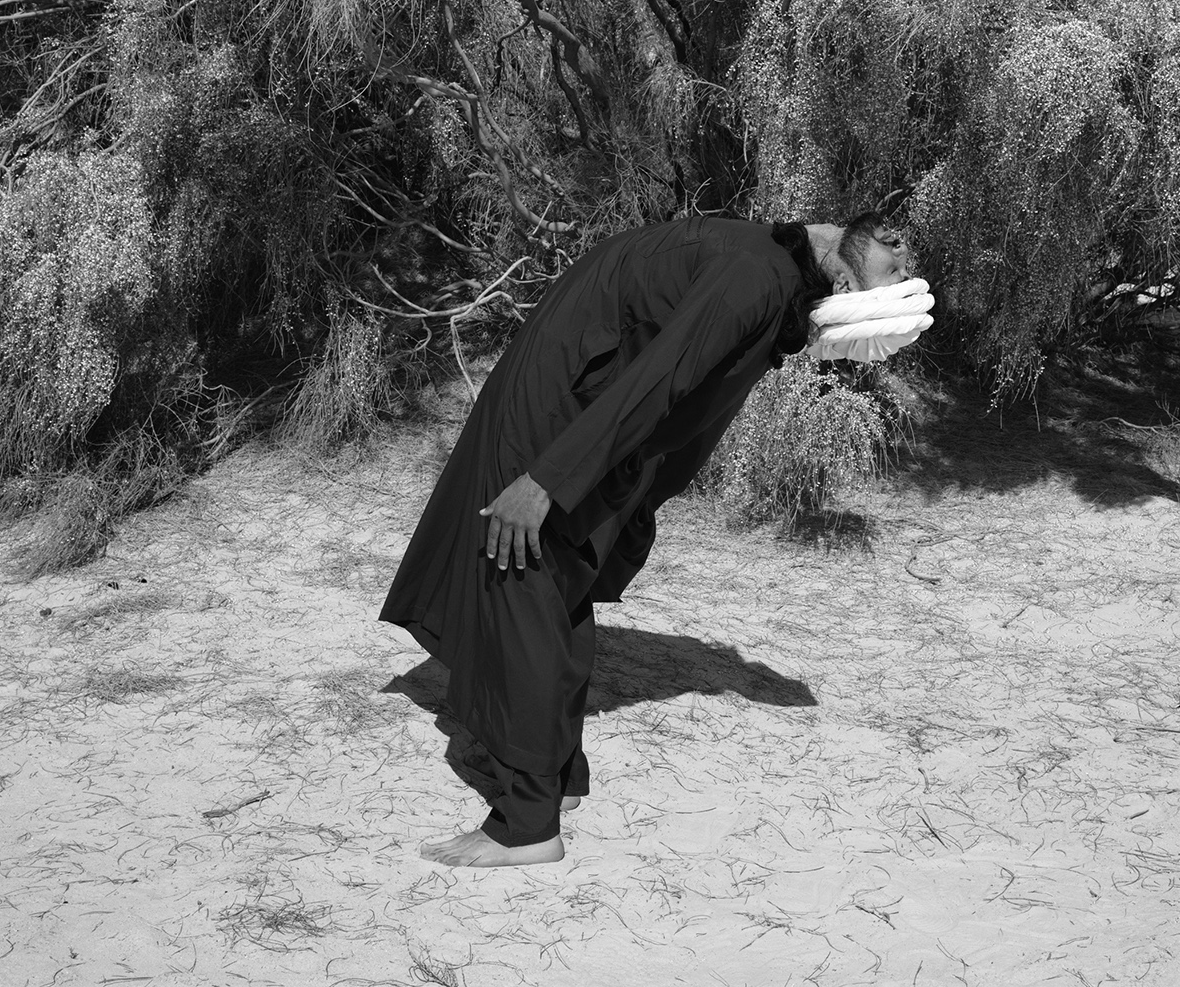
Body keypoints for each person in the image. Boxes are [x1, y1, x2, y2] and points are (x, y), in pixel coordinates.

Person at [380, 213, 914, 866]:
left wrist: (598, 483)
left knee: (526, 577)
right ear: (836, 266)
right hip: (565, 388)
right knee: (532, 571)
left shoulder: (769, 276)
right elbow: (663, 377)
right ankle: (555, 783)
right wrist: (553, 480)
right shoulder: (758, 274)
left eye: (901, 273)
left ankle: (525, 826)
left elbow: (691, 388)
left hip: (581, 397)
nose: (901, 270)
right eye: (891, 270)